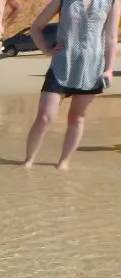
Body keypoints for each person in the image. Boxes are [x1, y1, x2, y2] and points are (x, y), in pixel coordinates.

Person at [23, 0, 120, 171]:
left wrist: (109, 69)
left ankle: (63, 163)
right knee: (45, 116)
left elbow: (111, 37)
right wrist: (46, 50)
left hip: (91, 67)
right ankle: (28, 161)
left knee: (77, 117)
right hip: (61, 65)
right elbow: (36, 27)